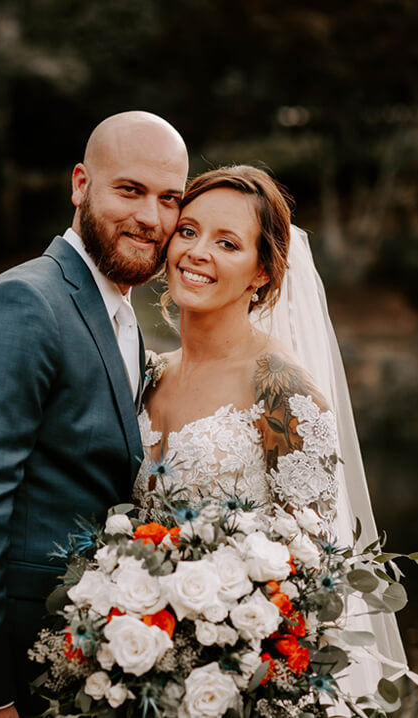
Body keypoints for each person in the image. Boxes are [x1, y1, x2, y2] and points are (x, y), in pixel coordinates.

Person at [0, 110, 189, 718]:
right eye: (130, 190)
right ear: (81, 185)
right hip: (0, 679)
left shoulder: (121, 317)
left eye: (169, 199)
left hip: (76, 667)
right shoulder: (25, 302)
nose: (152, 217)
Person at [133, 165, 408, 707]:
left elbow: (315, 573)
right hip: (145, 672)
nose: (197, 252)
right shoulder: (147, 374)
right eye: (188, 231)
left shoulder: (281, 387)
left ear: (261, 272)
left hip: (250, 687)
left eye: (227, 243)